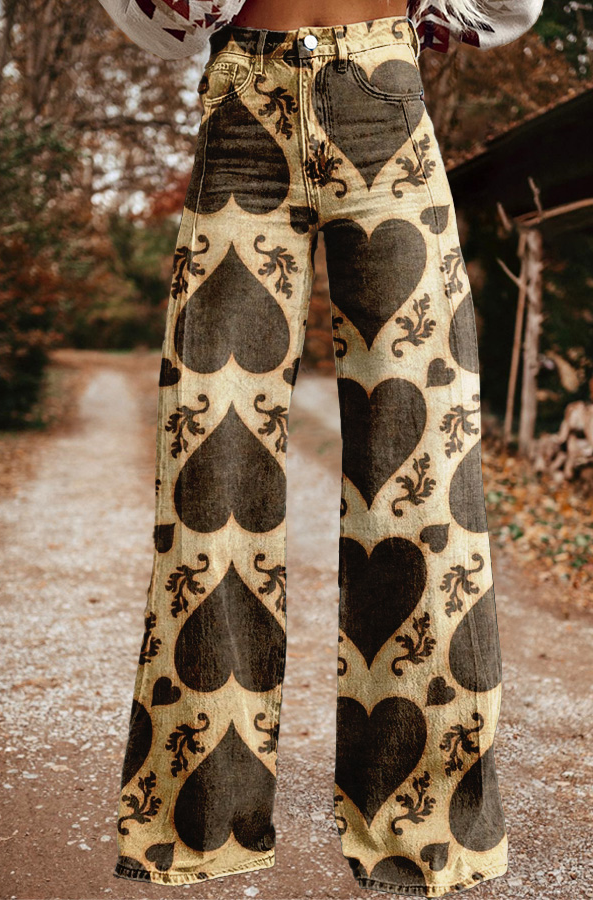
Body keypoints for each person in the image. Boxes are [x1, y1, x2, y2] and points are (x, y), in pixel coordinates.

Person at [103, 0, 544, 894]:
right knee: (210, 472)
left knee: (423, 472)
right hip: (242, 110)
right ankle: (201, 821)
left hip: (384, 99)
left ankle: (425, 824)